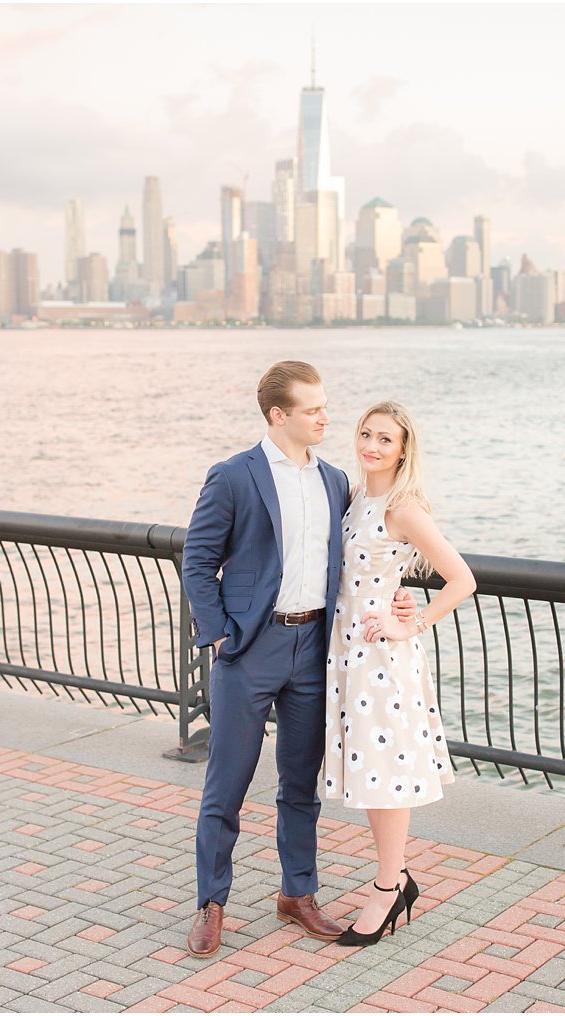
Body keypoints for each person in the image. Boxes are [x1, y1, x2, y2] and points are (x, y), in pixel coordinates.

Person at [181, 362, 418, 959]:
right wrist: (219, 635)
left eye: (326, 406)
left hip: (316, 651)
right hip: (249, 649)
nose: (326, 417)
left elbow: (369, 556)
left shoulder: (338, 481)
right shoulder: (233, 476)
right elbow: (198, 561)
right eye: (313, 409)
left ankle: (298, 895)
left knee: (299, 786)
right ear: (278, 415)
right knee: (226, 784)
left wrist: (401, 598)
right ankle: (212, 903)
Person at [323, 400, 476, 947]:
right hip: (347, 654)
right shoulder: (354, 496)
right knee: (370, 776)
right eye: (366, 434)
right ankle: (396, 879)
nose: (372, 446)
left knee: (384, 777)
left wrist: (411, 624)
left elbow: (462, 579)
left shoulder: (403, 505)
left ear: (403, 448)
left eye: (386, 439)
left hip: (381, 660)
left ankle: (389, 887)